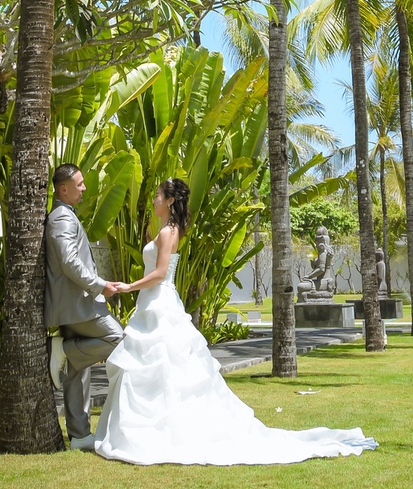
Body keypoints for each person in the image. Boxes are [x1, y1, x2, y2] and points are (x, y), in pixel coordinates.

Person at [92, 176, 378, 465]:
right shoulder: (168, 230)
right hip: (155, 302)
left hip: (159, 301)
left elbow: (161, 273)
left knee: (164, 365)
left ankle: (163, 430)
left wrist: (129, 286)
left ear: (169, 201)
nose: (153, 200)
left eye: (157, 195)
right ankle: (155, 427)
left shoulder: (168, 232)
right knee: (156, 366)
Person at [44, 163, 124, 451]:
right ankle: (63, 351)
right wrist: (99, 284)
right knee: (118, 339)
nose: (84, 188)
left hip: (74, 306)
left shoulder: (65, 215)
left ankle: (79, 435)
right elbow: (69, 262)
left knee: (78, 369)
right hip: (77, 306)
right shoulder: (62, 218)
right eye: (79, 184)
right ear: (63, 189)